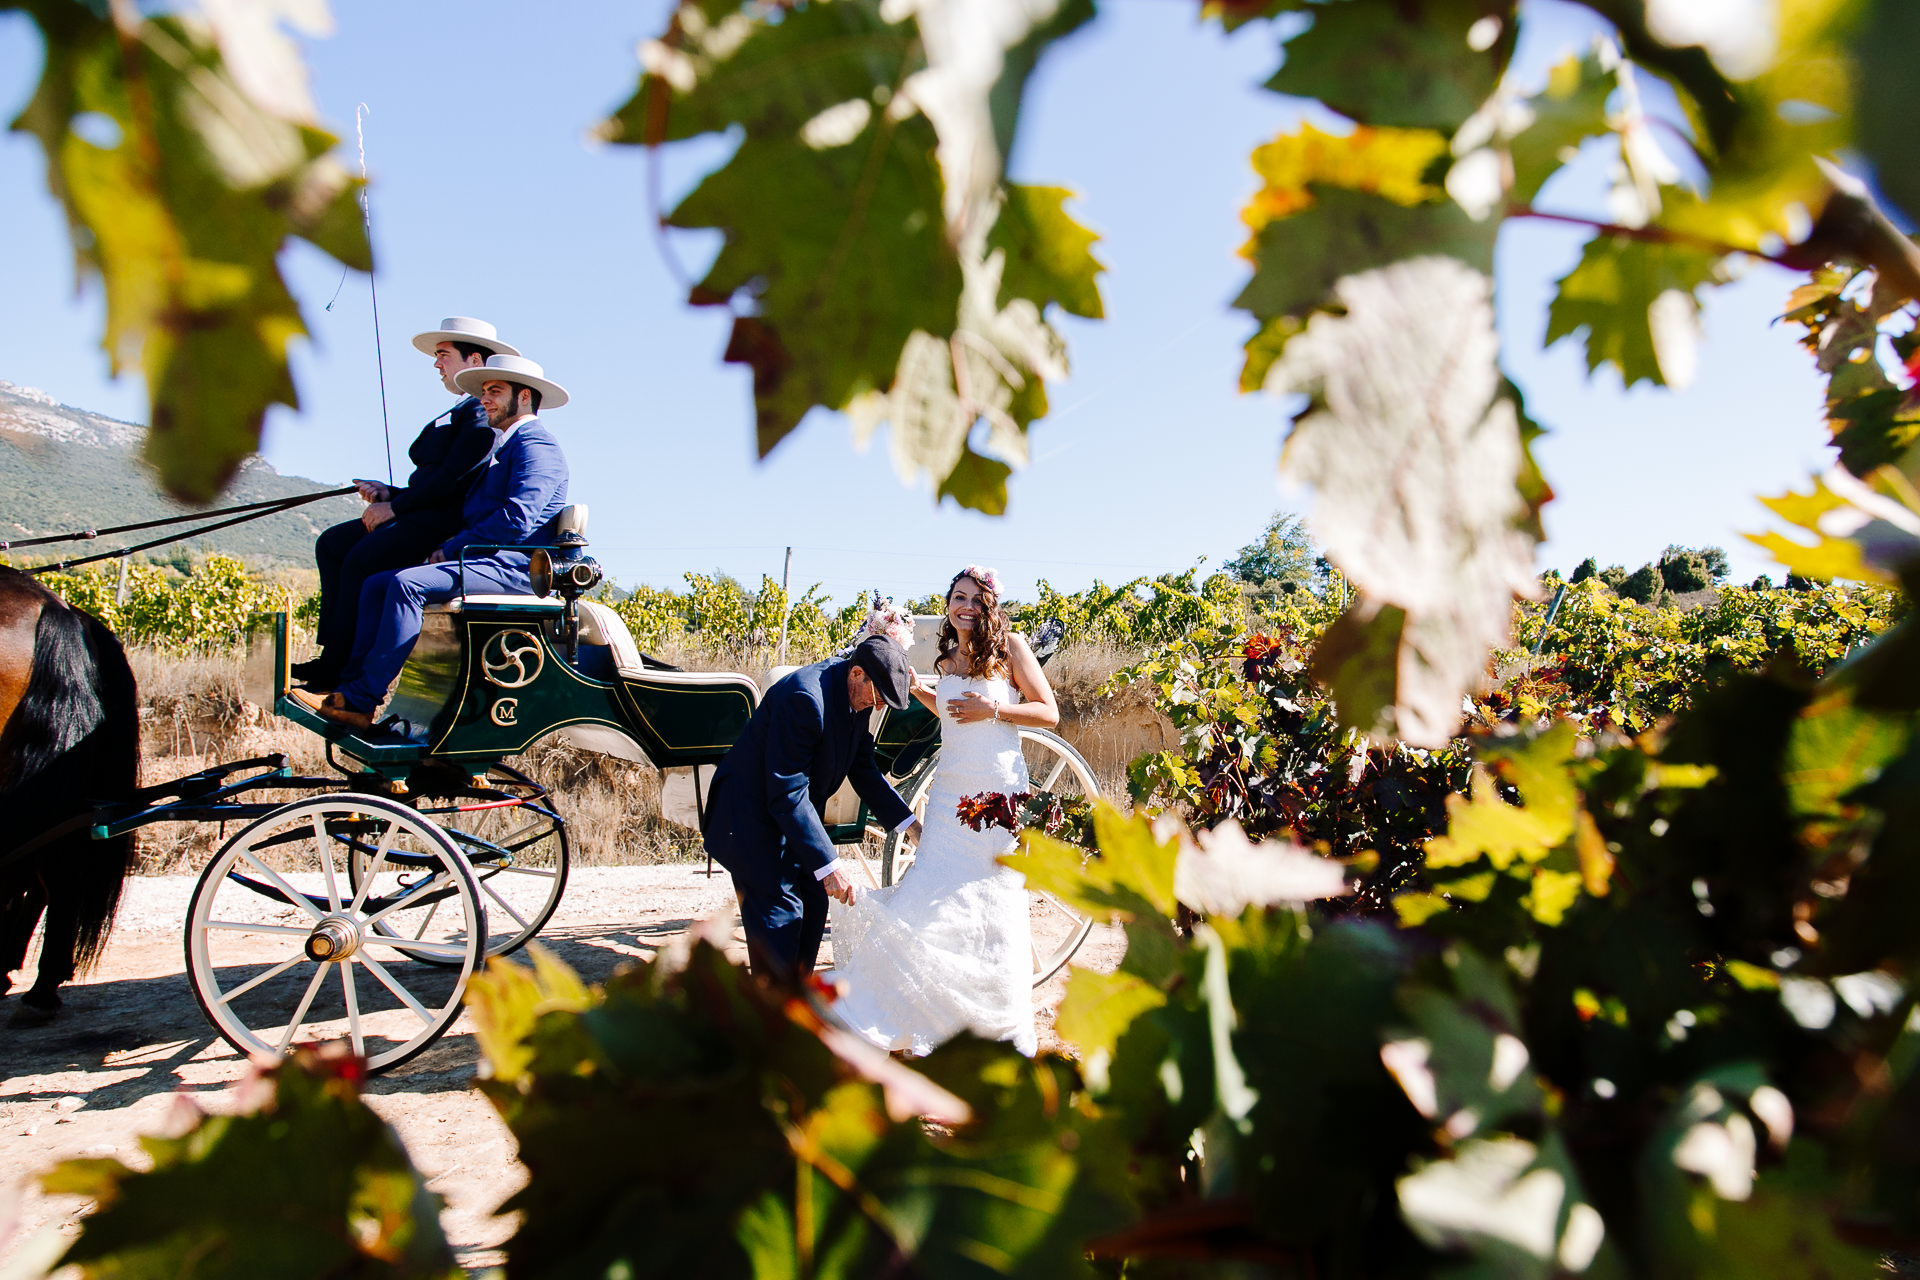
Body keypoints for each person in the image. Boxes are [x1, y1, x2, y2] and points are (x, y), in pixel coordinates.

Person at [826, 565, 1060, 1057]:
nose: (967, 606)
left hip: (998, 794)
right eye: (959, 597)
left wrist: (994, 711)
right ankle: (918, 1013)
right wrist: (919, 689)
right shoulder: (949, 659)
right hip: (951, 795)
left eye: (977, 598)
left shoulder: (1012, 650)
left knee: (994, 902)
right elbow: (953, 711)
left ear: (990, 605)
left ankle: (995, 1029)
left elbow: (1049, 713)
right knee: (929, 898)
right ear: (948, 603)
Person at [290, 354, 570, 732]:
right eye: (484, 391)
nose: (485, 399)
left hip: (517, 569)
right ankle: (346, 691)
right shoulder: (507, 447)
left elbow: (517, 518)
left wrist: (453, 547)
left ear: (523, 397)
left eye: (495, 391)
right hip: (484, 559)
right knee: (377, 584)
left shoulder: (537, 448)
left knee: (408, 584)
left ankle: (362, 699)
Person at [293, 317, 517, 689]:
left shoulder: (480, 413)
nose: (436, 364)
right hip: (419, 509)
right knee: (332, 544)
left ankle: (341, 671)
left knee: (361, 558)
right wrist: (390, 492)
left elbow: (454, 480)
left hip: (441, 522)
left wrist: (395, 507)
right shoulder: (460, 410)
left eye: (443, 354)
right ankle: (330, 654)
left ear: (474, 359)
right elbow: (435, 478)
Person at [702, 636, 919, 989]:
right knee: (782, 915)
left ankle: (793, 1001)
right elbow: (787, 791)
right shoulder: (806, 698)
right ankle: (772, 1019)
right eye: (877, 697)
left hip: (791, 817)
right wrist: (830, 864)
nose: (876, 706)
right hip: (750, 819)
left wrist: (911, 827)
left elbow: (863, 768)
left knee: (815, 902)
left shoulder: (856, 695)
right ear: (857, 673)